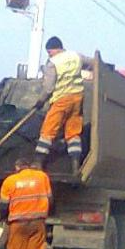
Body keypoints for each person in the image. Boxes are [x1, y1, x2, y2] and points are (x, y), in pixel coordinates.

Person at [35, 36, 94, 173]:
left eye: (49, 52)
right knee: (73, 133)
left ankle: (38, 162)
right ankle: (75, 165)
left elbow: (49, 88)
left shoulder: (52, 63)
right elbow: (93, 63)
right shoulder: (76, 56)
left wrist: (41, 101)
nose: (49, 55)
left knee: (48, 130)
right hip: (77, 99)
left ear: (53, 50)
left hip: (62, 100)